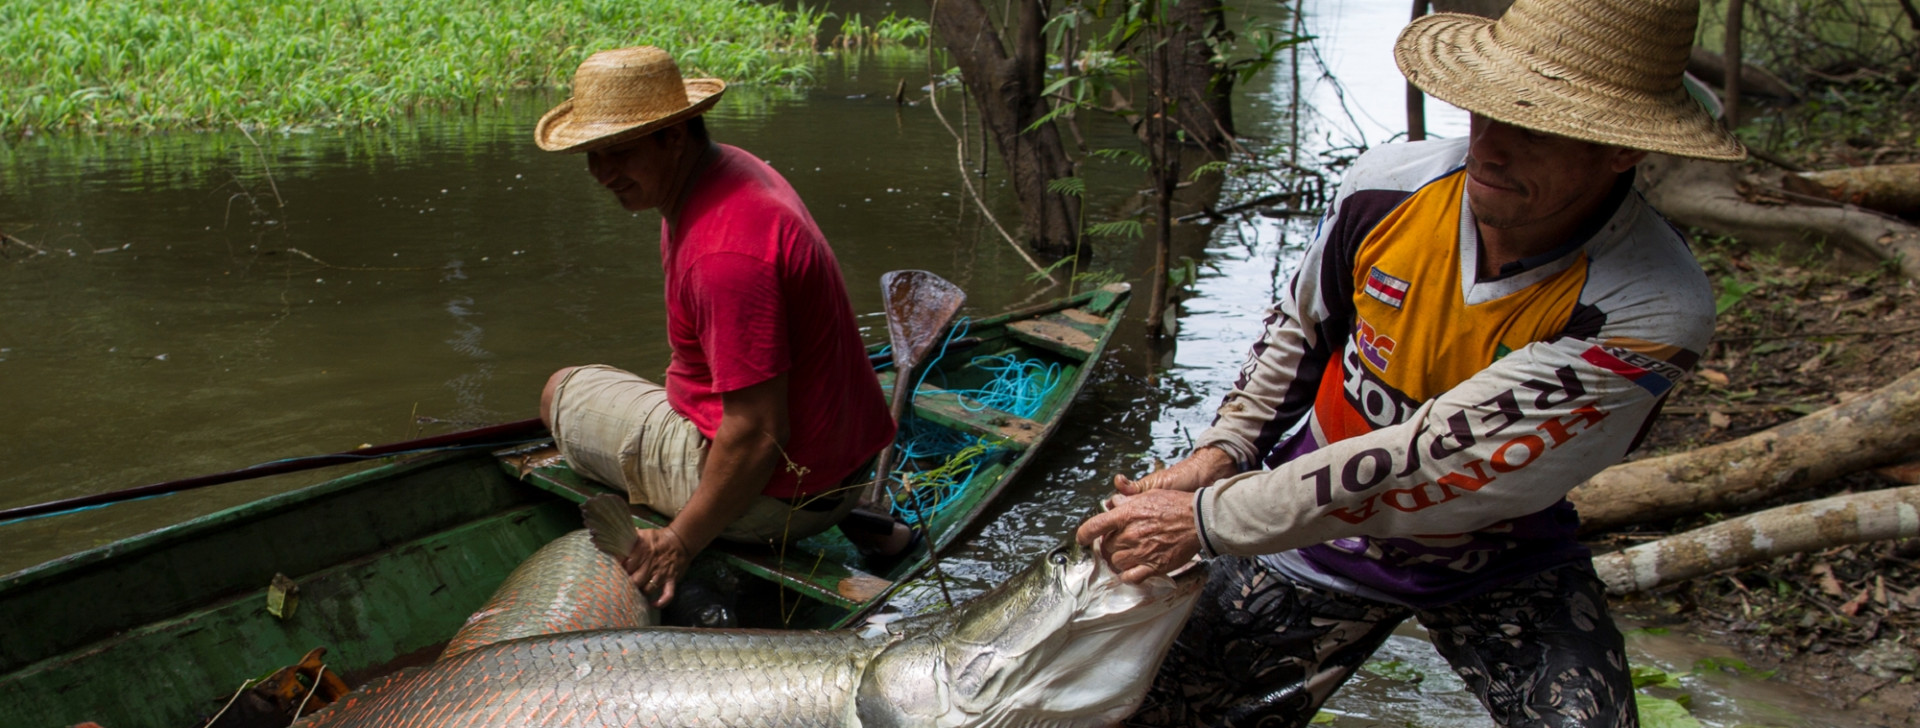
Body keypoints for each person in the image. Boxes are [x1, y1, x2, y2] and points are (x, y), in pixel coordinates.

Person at [1077, 0, 1747, 725]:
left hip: (1497, 556)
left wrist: (1205, 517)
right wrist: (1224, 449)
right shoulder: (1388, 189)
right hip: (1311, 538)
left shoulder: (1647, 306)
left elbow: (1426, 457)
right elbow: (1301, 329)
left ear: (1619, 148)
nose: (1490, 149)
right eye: (1485, 113)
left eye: (1533, 130)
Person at [532, 46, 903, 608]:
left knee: (561, 391)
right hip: (839, 474)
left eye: (619, 152)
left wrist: (679, 542)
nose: (602, 173)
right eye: (591, 154)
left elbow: (756, 430)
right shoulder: (731, 168)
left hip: (776, 496)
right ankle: (862, 523)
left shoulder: (723, 255)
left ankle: (741, 523)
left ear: (674, 136)